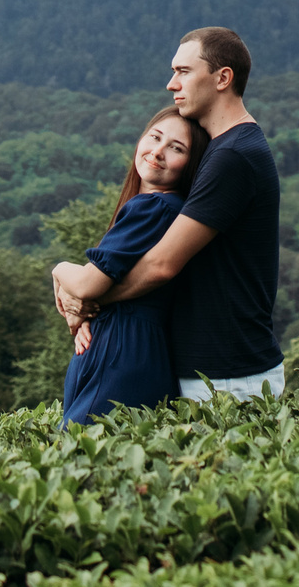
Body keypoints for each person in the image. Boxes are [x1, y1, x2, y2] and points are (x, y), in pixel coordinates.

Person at [67, 26, 284, 400]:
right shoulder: (223, 149)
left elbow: (161, 265)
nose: (171, 84)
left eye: (183, 71)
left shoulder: (232, 156)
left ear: (222, 78)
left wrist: (89, 299)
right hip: (214, 369)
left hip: (227, 376)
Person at [50, 107, 207, 424]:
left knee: (81, 453)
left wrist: (58, 270)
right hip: (144, 350)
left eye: (176, 148)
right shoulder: (173, 210)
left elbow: (86, 285)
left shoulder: (153, 207)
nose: (158, 152)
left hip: (120, 349)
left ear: (190, 166)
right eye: (155, 137)